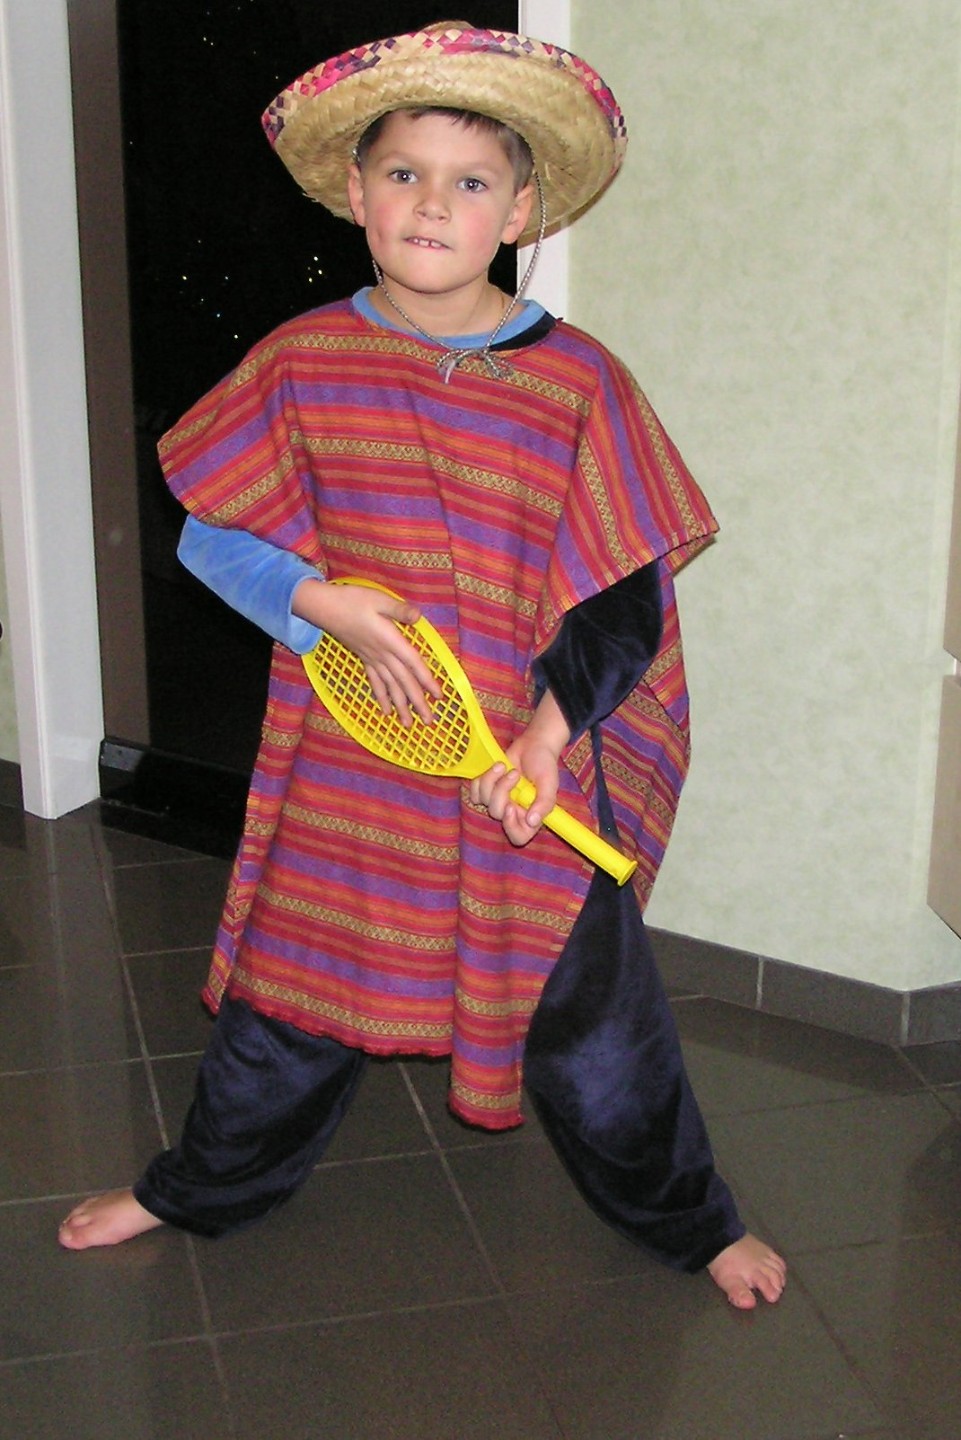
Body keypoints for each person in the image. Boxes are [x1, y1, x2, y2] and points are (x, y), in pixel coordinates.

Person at [59, 20, 786, 1310]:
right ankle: (197, 1188)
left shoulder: (579, 384)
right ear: (357, 192)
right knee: (288, 1002)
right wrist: (320, 604)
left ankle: (693, 1221)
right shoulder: (301, 362)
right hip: (352, 755)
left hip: (526, 769)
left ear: (521, 210)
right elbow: (214, 536)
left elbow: (624, 596)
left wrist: (549, 735)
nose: (433, 204)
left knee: (595, 1019)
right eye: (404, 173)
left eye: (470, 181)